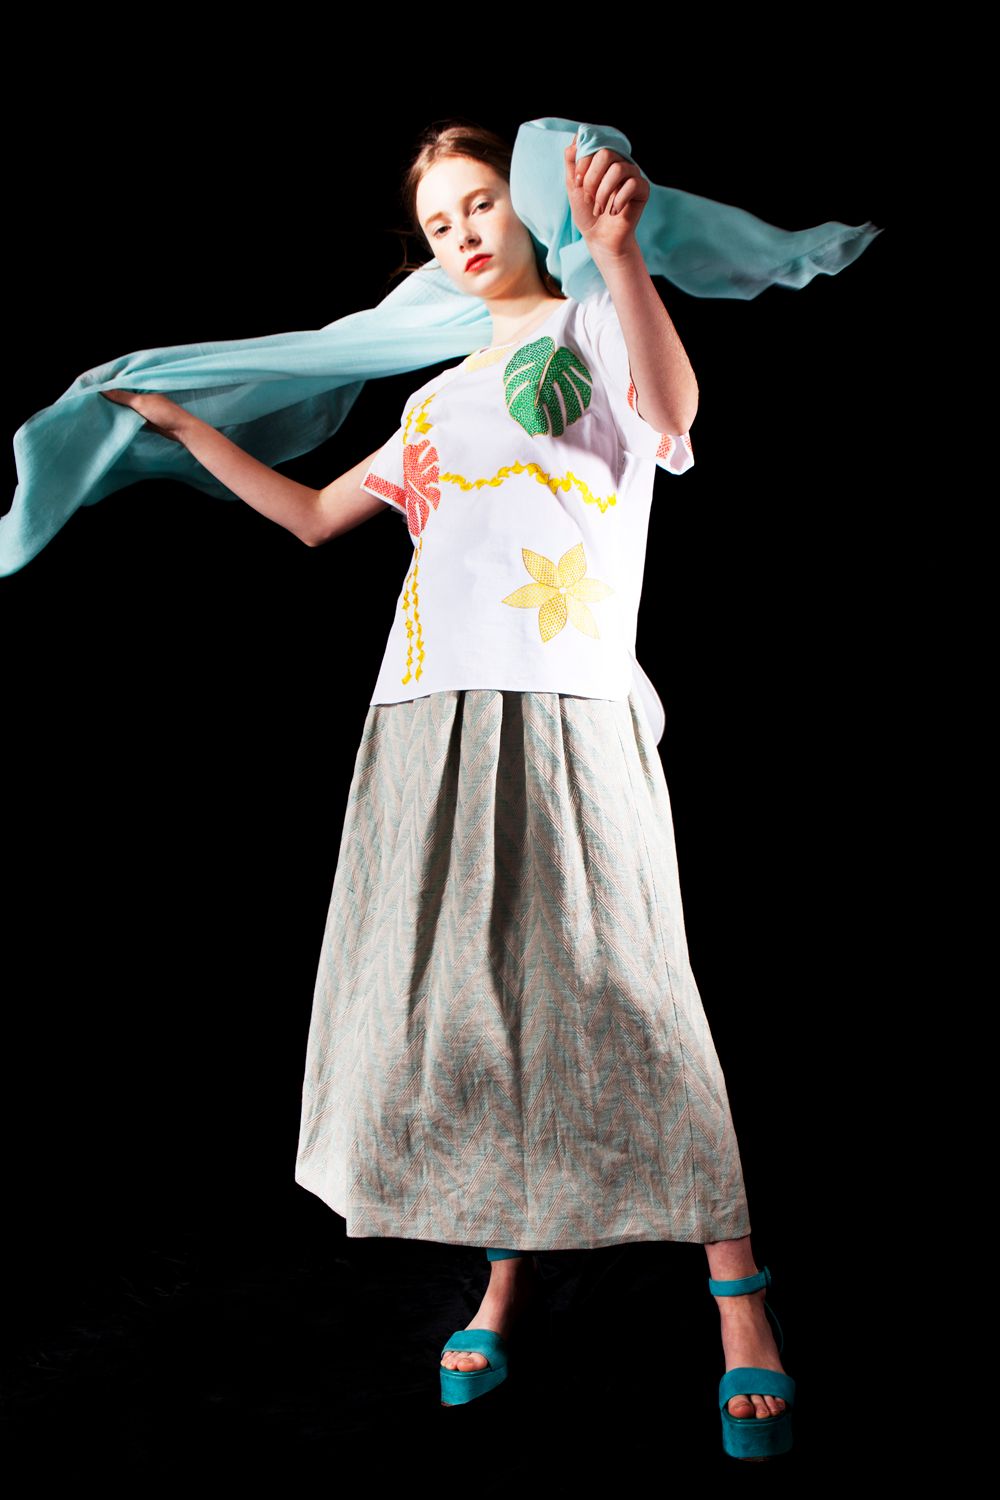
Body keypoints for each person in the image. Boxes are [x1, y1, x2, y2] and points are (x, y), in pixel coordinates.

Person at [100, 119, 797, 1459]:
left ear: (524, 209)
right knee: (474, 1017)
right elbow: (315, 520)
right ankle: (503, 1285)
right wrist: (185, 428)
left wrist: (619, 255)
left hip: (571, 705)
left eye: (478, 205)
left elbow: (673, 417)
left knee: (637, 998)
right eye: (437, 223)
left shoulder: (593, 325)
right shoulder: (433, 401)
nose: (463, 234)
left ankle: (739, 1302)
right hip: (427, 715)